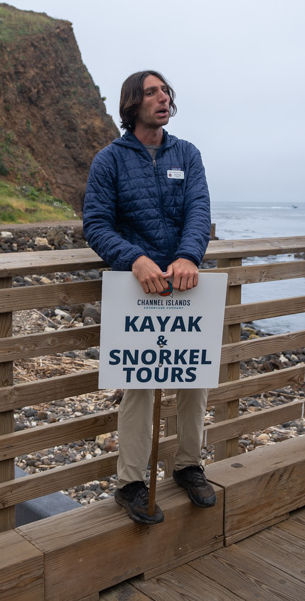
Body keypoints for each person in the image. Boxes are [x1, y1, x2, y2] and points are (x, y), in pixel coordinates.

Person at [82, 71, 213, 524]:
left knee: (193, 377)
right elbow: (96, 224)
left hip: (185, 284)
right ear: (132, 104)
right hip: (136, 286)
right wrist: (134, 258)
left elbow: (199, 211)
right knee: (138, 383)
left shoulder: (187, 154)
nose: (163, 98)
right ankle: (132, 483)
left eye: (165, 92)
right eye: (152, 93)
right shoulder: (109, 160)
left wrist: (188, 255)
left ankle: (189, 466)